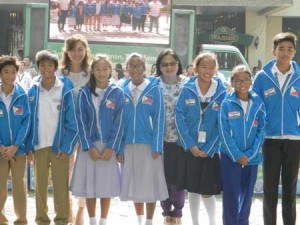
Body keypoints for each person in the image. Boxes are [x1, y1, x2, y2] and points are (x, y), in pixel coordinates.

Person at [252, 32, 300, 225]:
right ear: (274, 51)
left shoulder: (298, 77)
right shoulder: (262, 77)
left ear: (294, 52)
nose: (285, 53)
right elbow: (255, 107)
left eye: (289, 49)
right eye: (281, 49)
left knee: (290, 188)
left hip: (294, 140)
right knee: (270, 188)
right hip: (269, 139)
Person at [70, 55, 124, 225]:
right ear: (92, 71)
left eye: (105, 69)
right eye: (98, 69)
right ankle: (92, 220)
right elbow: (81, 121)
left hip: (108, 146)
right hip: (90, 147)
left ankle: (103, 221)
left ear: (111, 71)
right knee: (90, 186)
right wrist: (88, 146)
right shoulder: (84, 93)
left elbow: (120, 122)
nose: (102, 73)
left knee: (105, 186)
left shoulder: (118, 93)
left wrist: (111, 147)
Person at [26, 50, 78, 225]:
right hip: (38, 145)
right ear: (38, 67)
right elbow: (28, 120)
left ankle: (62, 219)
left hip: (59, 148)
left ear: (55, 67)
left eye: (50, 65)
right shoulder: (33, 89)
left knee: (61, 187)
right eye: (42, 65)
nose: (46, 69)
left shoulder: (65, 88)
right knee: (39, 187)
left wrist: (66, 147)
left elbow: (73, 122)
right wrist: (29, 147)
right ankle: (41, 219)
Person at [175, 52, 227, 225]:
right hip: (191, 149)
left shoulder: (222, 91)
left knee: (207, 190)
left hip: (210, 150)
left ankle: (213, 222)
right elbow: (179, 116)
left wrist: (211, 147)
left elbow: (223, 122)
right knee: (193, 189)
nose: (208, 71)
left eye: (212, 67)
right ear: (196, 68)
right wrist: (190, 145)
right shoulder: (187, 89)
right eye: (204, 67)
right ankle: (195, 222)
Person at [118, 53, 168, 225]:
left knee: (149, 185)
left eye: (139, 65)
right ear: (127, 69)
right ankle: (139, 220)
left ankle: (148, 221)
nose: (135, 69)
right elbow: (118, 122)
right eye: (131, 65)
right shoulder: (122, 90)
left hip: (149, 146)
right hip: (128, 145)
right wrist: (119, 148)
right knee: (134, 184)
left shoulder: (154, 89)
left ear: (145, 68)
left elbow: (160, 118)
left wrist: (156, 146)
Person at [219, 65, 266, 225]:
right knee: (231, 196)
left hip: (252, 159)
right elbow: (224, 133)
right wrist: (238, 155)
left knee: (247, 197)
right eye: (237, 80)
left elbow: (261, 130)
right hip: (230, 158)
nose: (242, 83)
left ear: (251, 81)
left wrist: (250, 155)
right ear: (231, 82)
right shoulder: (227, 103)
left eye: (245, 79)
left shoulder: (258, 102)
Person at [59, 33, 92, 225]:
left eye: (80, 49)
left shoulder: (92, 73)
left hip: (88, 131)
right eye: (72, 50)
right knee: (67, 172)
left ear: (85, 51)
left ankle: (81, 211)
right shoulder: (59, 74)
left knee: (85, 173)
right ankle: (67, 210)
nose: (77, 53)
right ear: (67, 52)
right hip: (66, 131)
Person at [156, 49, 188, 225]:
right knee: (164, 178)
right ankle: (166, 213)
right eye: (164, 64)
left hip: (182, 141)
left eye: (172, 63)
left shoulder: (188, 84)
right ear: (159, 67)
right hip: (160, 141)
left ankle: (178, 213)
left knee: (178, 180)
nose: (169, 67)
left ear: (178, 65)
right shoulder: (153, 84)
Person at [0, 55, 30, 225]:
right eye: (6, 72)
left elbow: (26, 122)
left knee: (20, 188)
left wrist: (16, 145)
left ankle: (21, 220)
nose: (10, 76)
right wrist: (1, 147)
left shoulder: (22, 95)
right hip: (1, 151)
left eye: (13, 72)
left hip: (19, 150)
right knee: (0, 188)